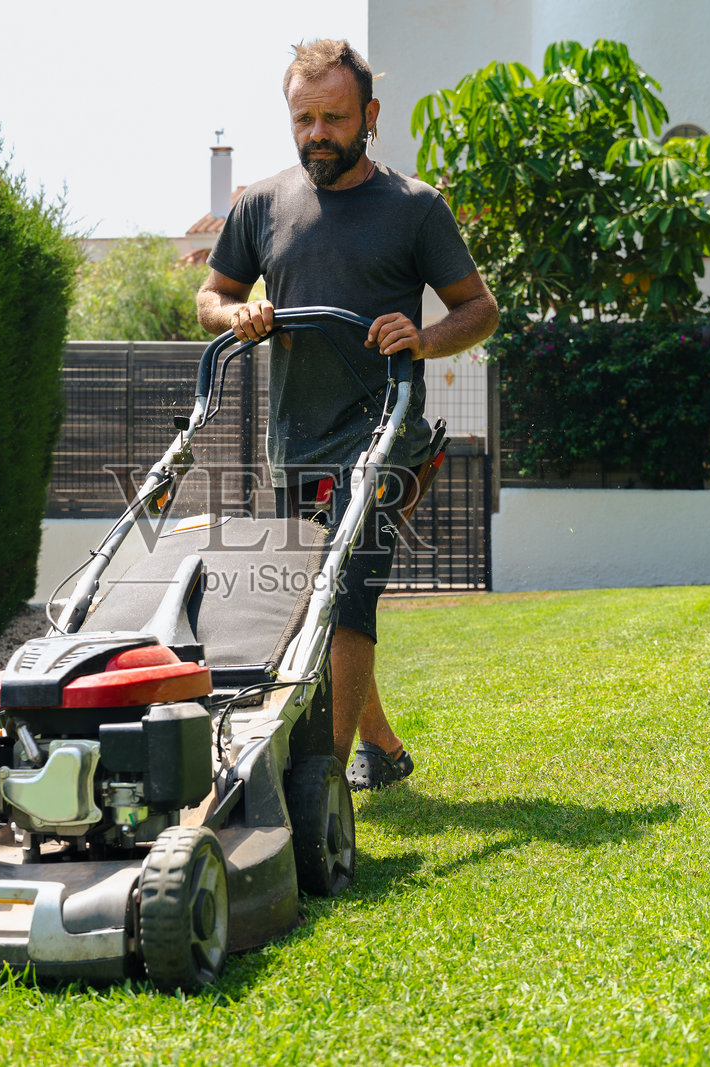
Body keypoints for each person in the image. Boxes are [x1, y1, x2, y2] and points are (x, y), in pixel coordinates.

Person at [196, 38, 498, 790]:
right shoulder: (261, 205)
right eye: (303, 119)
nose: (316, 134)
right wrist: (241, 314)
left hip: (384, 438)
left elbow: (481, 310)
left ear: (368, 116)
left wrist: (423, 338)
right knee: (311, 600)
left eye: (333, 118)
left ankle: (321, 781)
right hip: (294, 443)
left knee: (348, 591)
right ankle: (386, 751)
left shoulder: (414, 208)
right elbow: (211, 298)